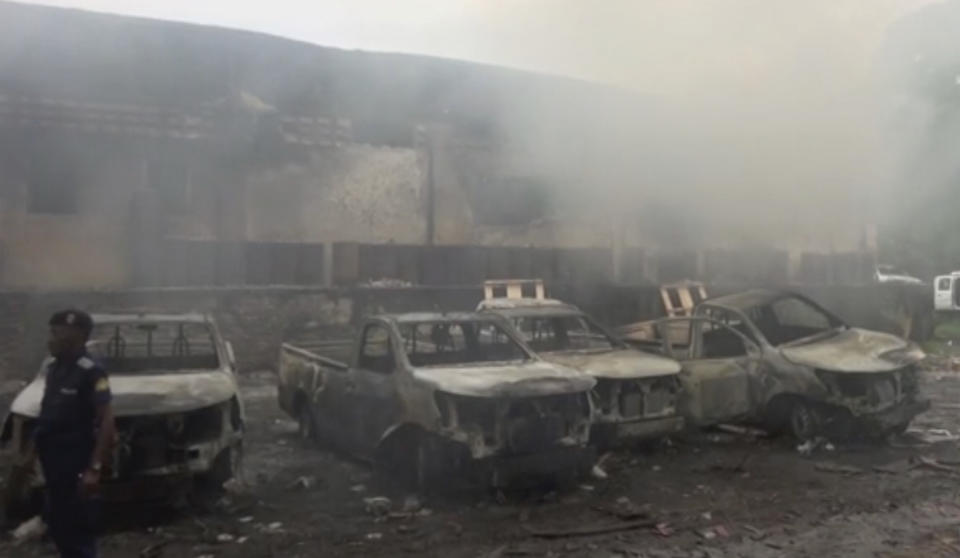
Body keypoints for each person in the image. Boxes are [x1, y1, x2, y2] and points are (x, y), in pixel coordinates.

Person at [34, 310, 115, 558]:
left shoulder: (92, 372)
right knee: (59, 526)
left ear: (76, 335)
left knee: (78, 529)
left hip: (76, 461)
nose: (50, 339)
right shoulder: (54, 369)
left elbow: (106, 422)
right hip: (53, 462)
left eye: (56, 333)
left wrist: (94, 468)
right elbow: (46, 415)